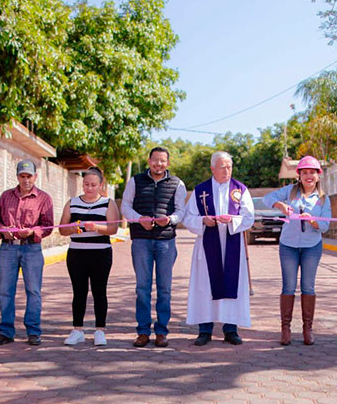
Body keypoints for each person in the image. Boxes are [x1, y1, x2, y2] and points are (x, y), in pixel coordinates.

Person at [184, 151, 255, 346]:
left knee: (232, 283)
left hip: (232, 245)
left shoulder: (240, 189)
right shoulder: (201, 191)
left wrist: (232, 220)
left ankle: (230, 329)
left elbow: (249, 217)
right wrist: (203, 220)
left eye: (229, 167)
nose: (227, 171)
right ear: (212, 168)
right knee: (205, 286)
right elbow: (188, 218)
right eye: (223, 167)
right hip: (207, 246)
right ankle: (205, 330)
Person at [120, 147, 187, 347]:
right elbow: (125, 206)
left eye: (163, 160)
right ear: (149, 161)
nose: (159, 164)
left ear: (168, 163)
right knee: (142, 288)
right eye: (155, 160)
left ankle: (161, 331)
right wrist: (138, 219)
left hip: (166, 241)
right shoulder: (135, 181)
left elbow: (181, 211)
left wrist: (170, 219)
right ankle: (143, 331)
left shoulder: (177, 183)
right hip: (141, 241)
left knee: (164, 289)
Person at [262, 155, 331, 345]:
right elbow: (267, 198)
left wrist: (313, 221)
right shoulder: (290, 191)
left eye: (312, 172)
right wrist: (280, 205)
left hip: (312, 247)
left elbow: (325, 225)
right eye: (304, 172)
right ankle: (285, 329)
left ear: (318, 175)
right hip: (288, 246)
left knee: (308, 287)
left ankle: (308, 328)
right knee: (288, 286)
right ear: (299, 175)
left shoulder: (323, 199)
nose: (308, 176)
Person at [0, 160, 54, 347]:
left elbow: (48, 226)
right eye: (22, 176)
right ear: (17, 176)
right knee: (5, 291)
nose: (26, 180)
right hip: (8, 248)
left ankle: (33, 331)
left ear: (35, 176)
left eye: (29, 176)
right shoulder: (6, 196)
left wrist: (33, 231)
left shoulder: (44, 198)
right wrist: (3, 230)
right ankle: (5, 331)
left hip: (31, 249)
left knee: (33, 291)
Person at [58, 167, 120, 346]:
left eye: (93, 185)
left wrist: (96, 227)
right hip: (77, 253)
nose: (89, 188)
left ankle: (100, 330)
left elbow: (113, 228)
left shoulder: (108, 203)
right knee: (79, 291)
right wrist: (72, 228)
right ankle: (77, 330)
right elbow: (62, 229)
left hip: (101, 253)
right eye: (86, 184)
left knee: (99, 291)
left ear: (101, 185)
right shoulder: (72, 202)